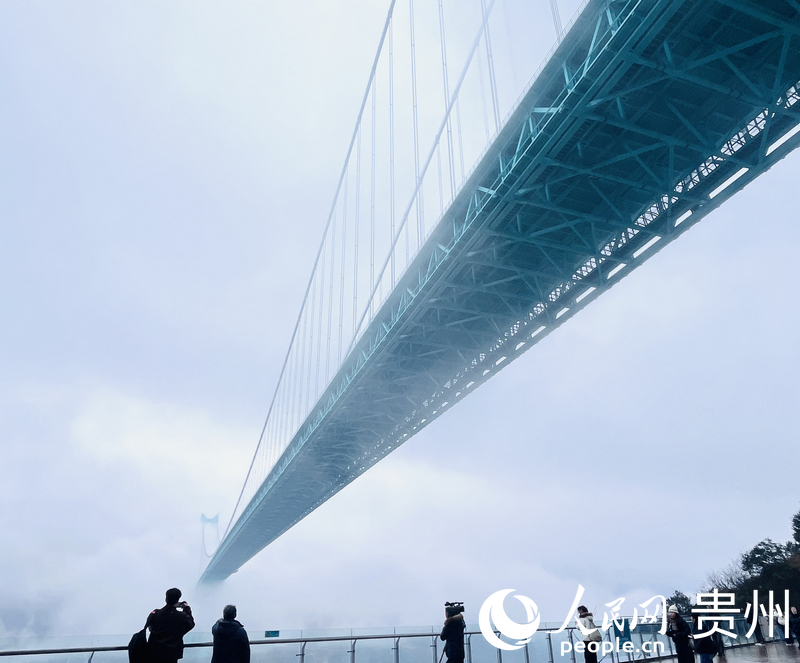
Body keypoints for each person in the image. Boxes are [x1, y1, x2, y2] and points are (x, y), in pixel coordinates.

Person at [146, 588, 195, 663]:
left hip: (153, 652)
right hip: (171, 654)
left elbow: (150, 628)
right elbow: (190, 624)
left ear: (166, 598)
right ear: (178, 599)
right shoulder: (180, 616)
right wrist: (186, 609)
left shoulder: (155, 613)